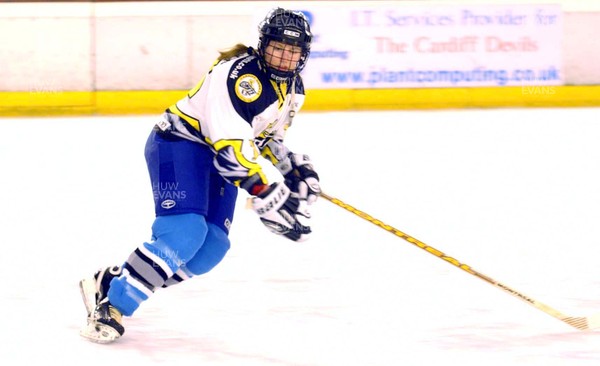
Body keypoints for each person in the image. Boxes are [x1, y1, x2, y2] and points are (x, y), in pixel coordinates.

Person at [79, 8, 320, 343]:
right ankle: (112, 306)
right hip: (180, 144)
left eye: (292, 51)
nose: (284, 57)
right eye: (278, 47)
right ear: (263, 45)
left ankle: (111, 281)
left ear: (303, 55)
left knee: (211, 249)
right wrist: (264, 190)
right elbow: (231, 153)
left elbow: (265, 139)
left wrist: (293, 168)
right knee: (185, 232)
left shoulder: (294, 90)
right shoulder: (238, 77)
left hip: (218, 156)